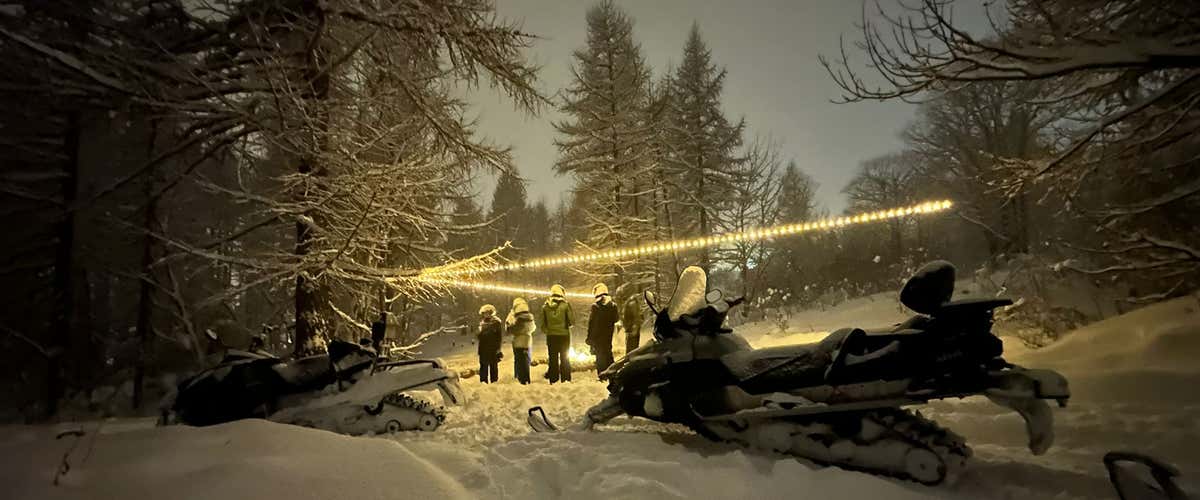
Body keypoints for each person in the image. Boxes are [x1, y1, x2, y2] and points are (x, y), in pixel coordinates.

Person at [539, 284, 575, 383]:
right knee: (565, 358)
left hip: (551, 336)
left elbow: (542, 324)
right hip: (564, 336)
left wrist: (549, 330)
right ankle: (566, 379)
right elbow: (572, 321)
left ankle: (553, 380)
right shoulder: (566, 305)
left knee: (553, 359)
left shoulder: (545, 306)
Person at [586, 283, 620, 375]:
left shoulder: (595, 306)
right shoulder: (613, 306)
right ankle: (612, 373)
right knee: (608, 353)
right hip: (608, 335)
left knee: (600, 356)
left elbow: (592, 323)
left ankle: (602, 375)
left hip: (597, 336)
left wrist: (590, 338)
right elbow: (616, 319)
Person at [506, 297, 536, 385]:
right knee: (525, 360)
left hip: (518, 342)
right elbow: (533, 328)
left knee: (520, 361)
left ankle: (522, 379)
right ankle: (526, 378)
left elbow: (514, 330)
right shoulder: (530, 317)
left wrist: (509, 327)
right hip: (527, 341)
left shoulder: (519, 319)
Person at [477, 304, 503, 384]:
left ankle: (494, 382)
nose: (486, 314)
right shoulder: (482, 323)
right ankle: (483, 382)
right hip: (483, 348)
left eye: (487, 313)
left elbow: (499, 337)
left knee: (493, 366)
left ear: (491, 313)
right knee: (483, 366)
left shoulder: (496, 323)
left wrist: (498, 348)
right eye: (484, 313)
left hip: (493, 348)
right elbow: (479, 336)